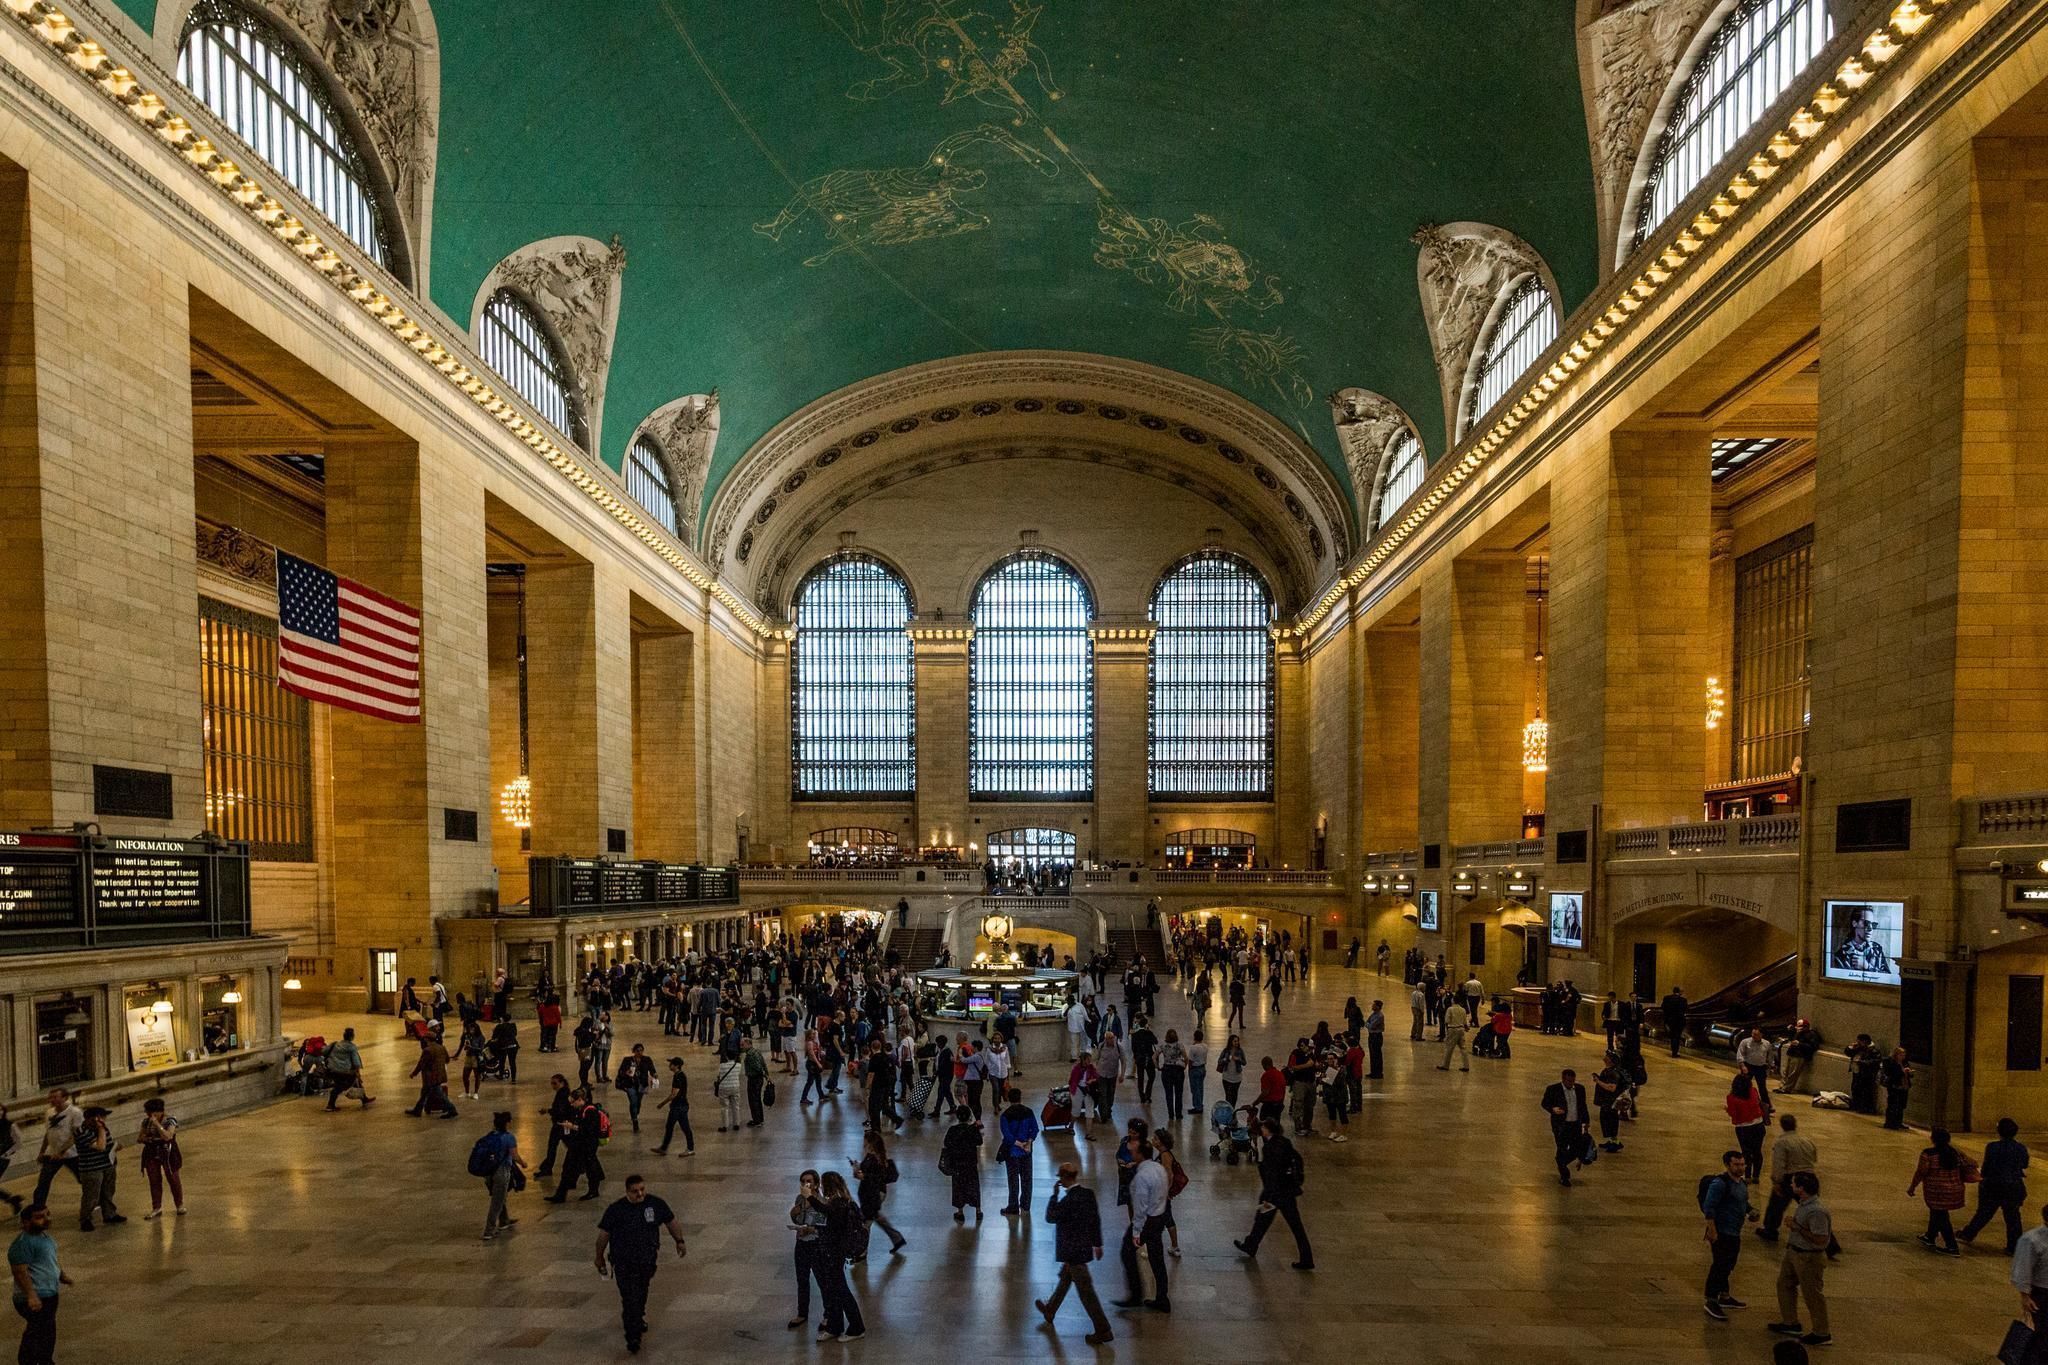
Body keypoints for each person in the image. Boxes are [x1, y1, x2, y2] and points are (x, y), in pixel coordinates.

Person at [594, 1173, 685, 1354]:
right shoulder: (616, 1210)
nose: (640, 1194)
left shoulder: (655, 1204)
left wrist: (679, 1240)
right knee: (629, 1298)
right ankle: (633, 1336)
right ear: (627, 1191)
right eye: (635, 1191)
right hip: (623, 1262)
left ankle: (638, 1317)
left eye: (642, 1189)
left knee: (641, 1291)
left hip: (646, 1260)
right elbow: (603, 1236)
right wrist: (599, 1257)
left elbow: (671, 1221)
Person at [1037, 1161, 1113, 1344]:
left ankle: (1103, 1329)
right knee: (1065, 1278)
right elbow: (1095, 1220)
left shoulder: (1067, 1201)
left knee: (1086, 1292)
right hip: (1083, 1247)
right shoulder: (1088, 1194)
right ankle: (1050, 1309)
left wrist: (1054, 1196)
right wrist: (1097, 1244)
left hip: (1072, 1252)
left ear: (1063, 1178)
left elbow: (1050, 1217)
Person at [1234, 1117, 1313, 1269]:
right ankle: (1306, 1257)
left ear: (1268, 1130)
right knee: (1293, 1226)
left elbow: (1272, 1173)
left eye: (1263, 1128)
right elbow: (1296, 1158)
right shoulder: (1284, 1141)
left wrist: (1268, 1196)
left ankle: (1251, 1245)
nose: (1261, 1130)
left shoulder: (1269, 1148)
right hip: (1287, 1192)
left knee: (1263, 1219)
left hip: (1275, 1194)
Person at [1767, 1171, 1833, 1349]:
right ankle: (1790, 1323)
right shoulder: (1804, 1204)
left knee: (1813, 1295)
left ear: (1802, 1188)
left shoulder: (1817, 1210)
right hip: (1794, 1252)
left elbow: (1820, 1239)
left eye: (1794, 1183)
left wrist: (1796, 1227)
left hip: (1809, 1257)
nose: (1791, 1186)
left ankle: (1822, 1332)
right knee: (1784, 1284)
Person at [1115, 1137, 1171, 1313]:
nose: (1131, 1152)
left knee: (1126, 1251)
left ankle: (1136, 1295)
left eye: (1134, 1151)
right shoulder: (1159, 1168)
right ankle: (1162, 1298)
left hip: (1147, 1221)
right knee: (1157, 1258)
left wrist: (1136, 1232)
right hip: (1159, 1217)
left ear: (1139, 1155)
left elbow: (1139, 1209)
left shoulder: (1141, 1176)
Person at [808, 1172, 866, 1341]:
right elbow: (827, 1220)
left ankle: (856, 1327)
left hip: (834, 1253)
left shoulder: (839, 1203)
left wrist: (810, 1198)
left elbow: (828, 1215)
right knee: (834, 1290)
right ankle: (835, 1326)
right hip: (831, 1252)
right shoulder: (839, 1201)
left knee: (840, 1290)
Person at [8, 1203, 68, 1365]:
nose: (47, 1219)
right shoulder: (22, 1244)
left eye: (47, 1214)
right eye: (40, 1217)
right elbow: (20, 1271)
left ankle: (44, 1359)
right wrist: (31, 1295)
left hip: (48, 1293)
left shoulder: (45, 1237)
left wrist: (61, 1275)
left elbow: (50, 1261)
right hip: (34, 1296)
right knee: (37, 1330)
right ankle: (28, 1360)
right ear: (26, 1222)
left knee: (47, 1328)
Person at [1702, 1149, 1757, 1320]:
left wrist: (1750, 1211)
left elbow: (1741, 1201)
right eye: (1737, 1165)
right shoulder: (1720, 1184)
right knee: (1720, 1265)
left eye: (1742, 1164)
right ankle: (1711, 1299)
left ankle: (1724, 1296)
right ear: (1727, 1165)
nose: (1741, 1168)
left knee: (1729, 1263)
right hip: (1722, 1232)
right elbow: (1709, 1207)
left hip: (1734, 1231)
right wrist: (1712, 1230)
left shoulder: (1740, 1183)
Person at [1962, 1116, 2029, 1253]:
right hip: (2014, 1185)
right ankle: (2014, 1246)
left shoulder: (1992, 1147)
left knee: (1984, 1212)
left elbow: (1987, 1166)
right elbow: (2024, 1164)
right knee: (2013, 1217)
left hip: (1993, 1185)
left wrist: (1983, 1177)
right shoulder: (2021, 1148)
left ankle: (1969, 1233)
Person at [1908, 1127, 1978, 1255]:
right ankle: (1930, 1236)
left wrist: (1912, 1186)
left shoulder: (1928, 1154)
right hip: (1955, 1190)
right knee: (1937, 1212)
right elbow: (1973, 1163)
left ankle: (1952, 1246)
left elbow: (1921, 1172)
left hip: (1936, 1190)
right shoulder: (1955, 1153)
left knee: (1941, 1216)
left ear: (1932, 1139)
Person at [1758, 1113, 1817, 1243]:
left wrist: (1777, 1182)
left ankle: (1770, 1231)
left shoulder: (1782, 1142)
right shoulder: (1806, 1140)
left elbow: (1779, 1164)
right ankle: (1827, 1240)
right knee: (1813, 1207)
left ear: (1782, 1126)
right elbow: (1814, 1157)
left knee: (1776, 1206)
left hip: (1792, 1178)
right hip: (1810, 1175)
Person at [545, 1088, 605, 1203]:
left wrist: (573, 1127)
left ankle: (593, 1190)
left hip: (586, 1146)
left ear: (580, 1099)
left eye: (573, 1102)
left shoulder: (590, 1111)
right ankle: (561, 1195)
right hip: (578, 1145)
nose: (571, 1104)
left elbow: (590, 1130)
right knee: (570, 1168)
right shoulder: (580, 1110)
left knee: (590, 1168)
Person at [787, 1171, 828, 1332]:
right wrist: (794, 1215)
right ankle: (802, 1313)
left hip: (816, 1245)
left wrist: (809, 1230)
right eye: (803, 1181)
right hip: (801, 1245)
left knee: (822, 1280)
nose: (806, 1184)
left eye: (809, 1181)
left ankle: (828, 1314)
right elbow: (797, 1219)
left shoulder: (821, 1201)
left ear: (816, 1184)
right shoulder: (800, 1199)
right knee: (802, 1280)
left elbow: (822, 1224)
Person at [853, 1130, 905, 1255]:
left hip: (873, 1193)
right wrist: (858, 1167)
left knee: (866, 1222)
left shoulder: (876, 1158)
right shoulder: (874, 1156)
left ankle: (862, 1251)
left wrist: (863, 1176)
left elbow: (876, 1177)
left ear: (869, 1142)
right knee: (875, 1217)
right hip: (870, 1193)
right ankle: (897, 1238)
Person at [476, 1109, 525, 1241]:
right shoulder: (509, 1137)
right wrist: (524, 1163)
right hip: (501, 1172)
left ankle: (504, 1220)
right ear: (507, 1123)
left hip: (487, 1173)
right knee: (497, 1201)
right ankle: (489, 1231)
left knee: (499, 1196)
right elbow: (514, 1156)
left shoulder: (490, 1136)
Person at [29, 1093, 81, 1212]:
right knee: (43, 1181)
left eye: (55, 1097)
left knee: (83, 1178)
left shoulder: (75, 1112)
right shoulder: (49, 1113)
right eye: (50, 1097)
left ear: (64, 1098)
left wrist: (62, 1151)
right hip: (52, 1154)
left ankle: (98, 1198)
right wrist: (42, 1151)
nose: (52, 1100)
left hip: (71, 1154)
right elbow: (48, 1133)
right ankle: (38, 1208)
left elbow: (75, 1135)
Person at [71, 1109, 121, 1232]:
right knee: (91, 1195)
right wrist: (101, 1129)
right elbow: (100, 1146)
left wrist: (115, 1146)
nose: (104, 1120)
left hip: (107, 1165)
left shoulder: (103, 1128)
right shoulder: (81, 1132)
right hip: (91, 1168)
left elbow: (107, 1143)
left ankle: (110, 1214)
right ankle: (86, 1219)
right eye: (102, 1117)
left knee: (108, 1191)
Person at [1540, 1069, 1591, 1187]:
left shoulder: (1580, 1089)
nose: (1571, 1083)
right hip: (1561, 1125)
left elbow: (1583, 1106)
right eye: (1568, 1081)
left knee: (1576, 1148)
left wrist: (1586, 1122)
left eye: (1573, 1081)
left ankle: (1561, 1162)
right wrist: (1553, 1109)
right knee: (1562, 1147)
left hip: (1575, 1124)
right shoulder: (1553, 1089)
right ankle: (1564, 1175)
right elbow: (1545, 1103)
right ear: (1563, 1079)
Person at [135, 1099, 184, 1219]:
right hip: (152, 1151)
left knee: (173, 1178)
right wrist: (147, 1138)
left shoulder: (170, 1120)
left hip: (167, 1152)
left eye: (151, 1113)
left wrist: (157, 1124)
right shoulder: (146, 1122)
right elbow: (140, 1137)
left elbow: (168, 1136)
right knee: (154, 1179)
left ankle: (179, 1205)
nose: (149, 1116)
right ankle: (156, 1207)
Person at [997, 1086, 1039, 1216]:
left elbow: (1007, 1134)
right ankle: (1025, 1205)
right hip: (1027, 1150)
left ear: (1009, 1099)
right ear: (1021, 1098)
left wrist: (1018, 1144)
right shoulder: (1029, 1112)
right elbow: (1035, 1129)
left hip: (1012, 1151)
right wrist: (1029, 1141)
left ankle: (1013, 1206)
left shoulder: (1005, 1115)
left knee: (1013, 1179)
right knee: (1027, 1178)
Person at [940, 1106, 984, 1223]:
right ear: (969, 1116)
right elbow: (979, 1141)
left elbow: (946, 1143)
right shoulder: (972, 1130)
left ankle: (960, 1211)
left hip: (957, 1163)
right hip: (971, 1163)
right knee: (973, 1186)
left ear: (957, 1116)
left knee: (958, 1187)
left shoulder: (952, 1130)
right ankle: (978, 1210)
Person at [649, 1056, 695, 1157]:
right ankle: (665, 1148)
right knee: (672, 1126)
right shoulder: (680, 1075)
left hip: (678, 1106)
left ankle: (689, 1148)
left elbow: (674, 1094)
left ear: (677, 1066)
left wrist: (662, 1103)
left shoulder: (678, 1076)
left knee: (683, 1127)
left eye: (672, 1064)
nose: (669, 1066)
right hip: (680, 1105)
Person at [406, 1030, 457, 1119]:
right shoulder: (442, 1047)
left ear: (427, 1039)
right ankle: (417, 1110)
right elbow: (447, 1060)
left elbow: (421, 1064)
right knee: (424, 1093)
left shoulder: (427, 1050)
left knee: (439, 1094)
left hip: (431, 1077)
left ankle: (452, 1109)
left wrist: (413, 1074)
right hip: (440, 1075)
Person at [321, 1027, 372, 1111]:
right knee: (341, 1086)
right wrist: (357, 1070)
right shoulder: (351, 1047)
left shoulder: (335, 1044)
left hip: (332, 1070)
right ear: (352, 1037)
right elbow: (356, 1062)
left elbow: (323, 1051)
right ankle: (330, 1105)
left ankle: (364, 1099)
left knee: (353, 1082)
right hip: (344, 1071)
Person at [1728, 1071, 1768, 1176]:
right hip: (1758, 1125)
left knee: (1746, 1152)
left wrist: (1727, 1110)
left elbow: (1733, 1114)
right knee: (1757, 1151)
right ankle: (1756, 1175)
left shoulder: (1732, 1097)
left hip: (1743, 1128)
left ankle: (1747, 1175)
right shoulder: (1754, 1091)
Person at [1781, 1019, 1822, 1096]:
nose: (1798, 1028)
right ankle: (1782, 1086)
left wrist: (1799, 1044)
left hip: (1799, 1055)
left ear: (1806, 1027)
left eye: (1800, 1027)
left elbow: (1813, 1046)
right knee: (1785, 1072)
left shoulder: (1811, 1034)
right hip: (1791, 1053)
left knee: (1793, 1073)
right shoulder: (1797, 1033)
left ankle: (1787, 1088)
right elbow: (1791, 1038)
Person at [1844, 1034, 1882, 1115]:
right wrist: (1850, 1047)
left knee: (1866, 1090)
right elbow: (1848, 1053)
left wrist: (1861, 1063)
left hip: (1866, 1073)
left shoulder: (1874, 1050)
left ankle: (1865, 1107)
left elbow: (1875, 1062)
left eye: (1859, 1041)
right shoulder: (1858, 1048)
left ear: (1865, 1041)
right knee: (1855, 1088)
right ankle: (1856, 1105)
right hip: (1857, 1071)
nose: (1858, 1042)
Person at [1158, 1029, 1188, 1120]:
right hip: (1178, 1070)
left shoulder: (1163, 1046)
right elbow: (1186, 1057)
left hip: (1167, 1070)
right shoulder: (1180, 1045)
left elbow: (1154, 1056)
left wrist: (1158, 1067)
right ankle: (1178, 1114)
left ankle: (1171, 1114)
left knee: (1169, 1094)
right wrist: (1184, 1066)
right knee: (1179, 1093)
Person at [1881, 1046, 1913, 1130]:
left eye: (1904, 1055)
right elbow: (1892, 1074)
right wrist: (1902, 1072)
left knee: (1901, 1105)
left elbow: (1910, 1075)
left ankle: (1899, 1122)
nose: (1903, 1057)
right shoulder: (1891, 1063)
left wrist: (1909, 1073)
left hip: (1904, 1086)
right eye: (1901, 1055)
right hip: (1894, 1086)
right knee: (1893, 1105)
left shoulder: (1905, 1063)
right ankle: (1890, 1122)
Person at [1437, 999, 1471, 1072]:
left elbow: (1447, 1021)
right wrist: (1466, 1028)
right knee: (1463, 1048)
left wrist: (1447, 1030)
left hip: (1452, 1029)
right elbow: (1465, 1022)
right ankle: (1466, 1066)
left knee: (1449, 1048)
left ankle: (1445, 1065)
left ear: (1453, 1001)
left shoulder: (1450, 1009)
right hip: (1461, 1029)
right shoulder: (1463, 1010)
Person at [1216, 1035, 1247, 1106]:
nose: (1237, 1043)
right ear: (1231, 1042)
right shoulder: (1226, 1051)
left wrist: (1238, 1059)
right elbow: (1219, 1061)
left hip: (1237, 1078)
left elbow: (1244, 1062)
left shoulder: (1240, 1051)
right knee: (1228, 1096)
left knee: (1234, 1096)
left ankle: (1232, 1109)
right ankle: (1229, 1111)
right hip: (1227, 1077)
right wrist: (1225, 1059)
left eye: (1237, 1041)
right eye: (1235, 1041)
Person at [1661, 985, 1689, 1057]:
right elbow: (1685, 1010)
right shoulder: (1683, 1000)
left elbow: (1663, 1008)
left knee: (1673, 1036)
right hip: (1679, 1021)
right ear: (1679, 992)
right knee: (1677, 1036)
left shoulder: (1667, 998)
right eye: (1681, 991)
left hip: (1670, 1020)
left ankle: (1673, 1051)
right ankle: (1675, 1052)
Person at [1187, 1030, 1208, 1115]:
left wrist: (1189, 1070)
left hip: (1195, 1069)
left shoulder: (1193, 1048)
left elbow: (1190, 1061)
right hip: (1202, 1068)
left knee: (1195, 1089)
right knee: (1200, 1087)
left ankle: (1197, 1107)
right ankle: (1200, 1104)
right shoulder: (1205, 1046)